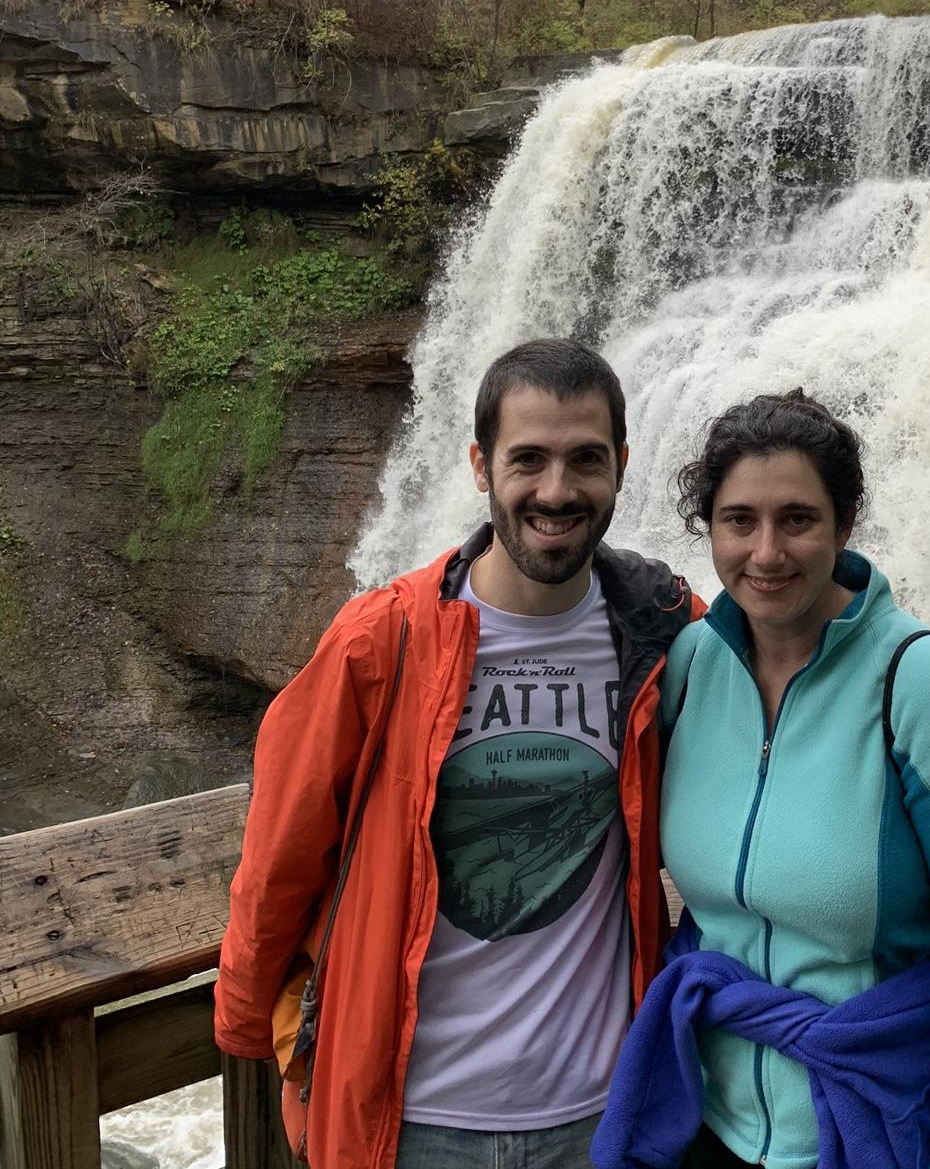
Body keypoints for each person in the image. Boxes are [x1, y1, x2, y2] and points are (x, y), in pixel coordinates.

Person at [215, 339, 703, 1169]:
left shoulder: (665, 630)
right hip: (407, 1117)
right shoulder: (383, 639)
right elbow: (282, 855)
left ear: (621, 463)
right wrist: (251, 1027)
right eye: (529, 460)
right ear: (481, 466)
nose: (557, 491)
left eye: (586, 460)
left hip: (602, 1110)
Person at [598, 391, 930, 1169]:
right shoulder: (690, 668)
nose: (766, 553)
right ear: (711, 528)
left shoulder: (923, 683)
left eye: (797, 519)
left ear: (844, 524)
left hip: (885, 1119)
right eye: (739, 520)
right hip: (710, 1122)